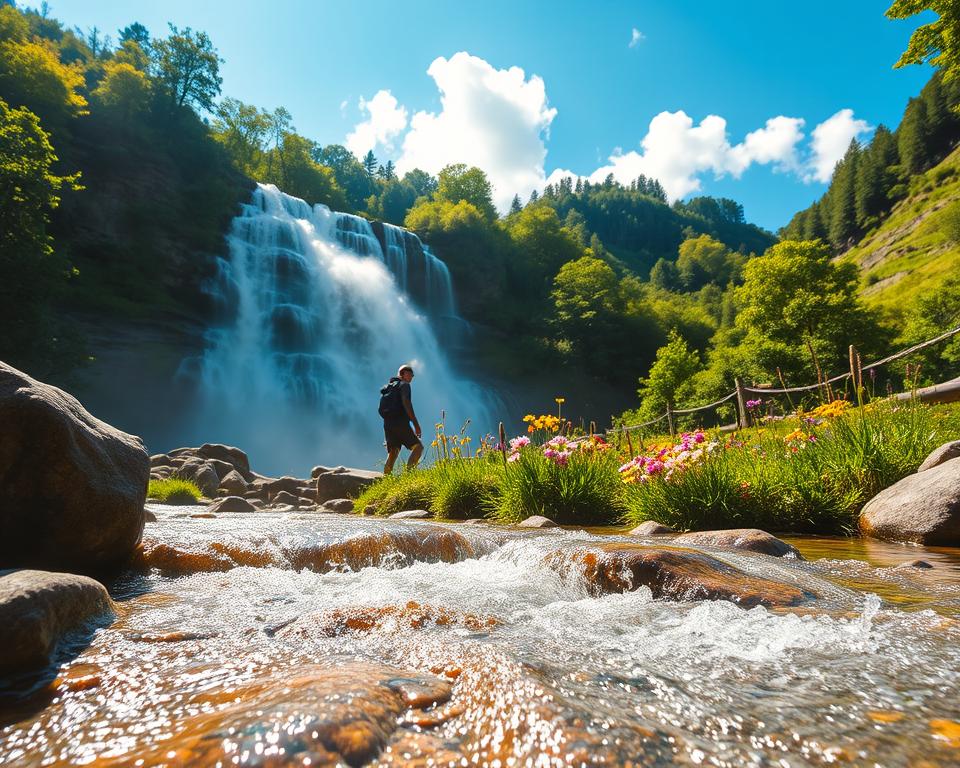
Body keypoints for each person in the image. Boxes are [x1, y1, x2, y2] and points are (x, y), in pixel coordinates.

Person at [380, 364, 423, 473]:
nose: (412, 377)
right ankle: (408, 476)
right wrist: (416, 424)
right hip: (400, 423)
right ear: (402, 374)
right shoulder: (404, 385)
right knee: (418, 447)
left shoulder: (389, 387)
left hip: (388, 424)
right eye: (410, 374)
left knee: (393, 452)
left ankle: (386, 481)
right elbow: (406, 403)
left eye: (412, 375)